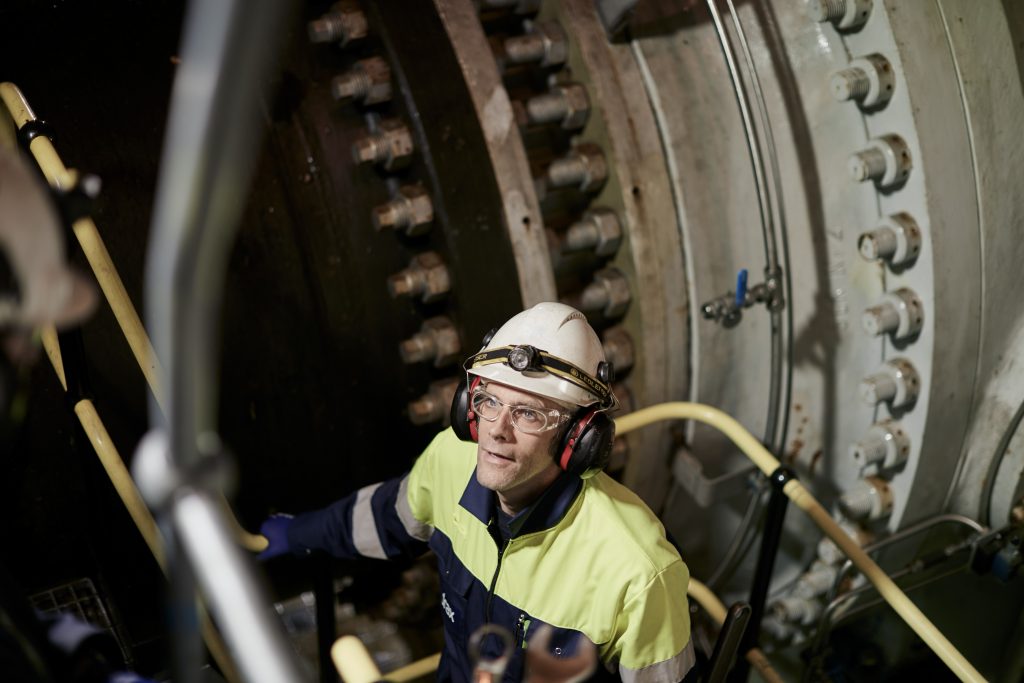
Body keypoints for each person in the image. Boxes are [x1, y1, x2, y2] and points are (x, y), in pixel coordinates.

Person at [260, 302, 695, 682]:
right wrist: (297, 534)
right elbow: (385, 518)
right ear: (469, 407)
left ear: (578, 438)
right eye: (488, 402)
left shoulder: (637, 572)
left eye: (528, 413)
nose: (497, 432)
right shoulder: (452, 460)